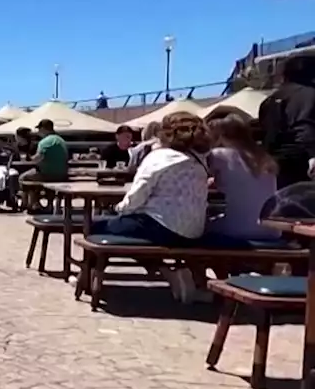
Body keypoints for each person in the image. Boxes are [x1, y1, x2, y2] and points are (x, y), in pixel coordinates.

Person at [91, 112, 212, 300]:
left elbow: (136, 197)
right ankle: (176, 274)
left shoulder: (159, 157)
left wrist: (118, 210)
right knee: (129, 228)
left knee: (97, 226)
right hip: (193, 230)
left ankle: (89, 280)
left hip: (160, 226)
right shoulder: (199, 159)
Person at [205, 115, 281, 242]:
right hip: (271, 230)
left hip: (238, 230)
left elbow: (203, 178)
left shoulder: (219, 154)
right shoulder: (264, 157)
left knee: (200, 228)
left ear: (220, 135)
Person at [260, 55, 315, 189]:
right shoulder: (310, 94)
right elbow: (305, 128)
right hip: (303, 163)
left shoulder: (269, 100)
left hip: (275, 164)